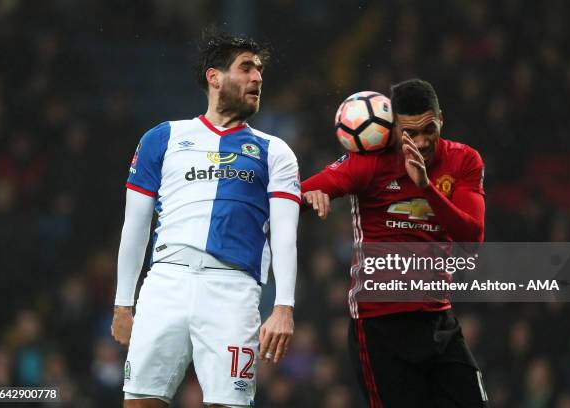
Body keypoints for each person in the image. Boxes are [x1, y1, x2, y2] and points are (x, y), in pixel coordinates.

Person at [110, 31, 301, 408]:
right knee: (140, 401)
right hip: (166, 281)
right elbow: (134, 227)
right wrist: (122, 304)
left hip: (232, 290)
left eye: (260, 70)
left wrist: (283, 306)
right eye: (246, 68)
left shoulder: (275, 151)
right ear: (214, 77)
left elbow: (284, 235)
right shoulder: (162, 138)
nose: (257, 78)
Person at [302, 79, 488, 407]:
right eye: (410, 133)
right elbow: (295, 194)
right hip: (379, 328)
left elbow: (471, 240)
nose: (421, 141)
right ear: (392, 128)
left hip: (438, 320)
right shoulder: (370, 163)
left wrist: (426, 187)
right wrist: (309, 196)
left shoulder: (464, 161)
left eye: (429, 128)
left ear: (440, 119)